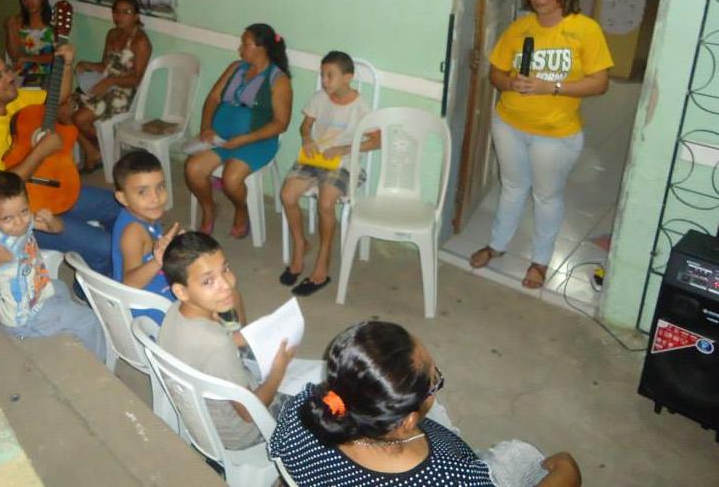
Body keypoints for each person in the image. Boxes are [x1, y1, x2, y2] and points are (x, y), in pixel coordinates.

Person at [269, 321, 582, 486]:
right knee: (527, 454)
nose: (436, 387)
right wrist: (566, 469)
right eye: (435, 383)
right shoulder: (448, 476)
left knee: (442, 415)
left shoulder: (302, 411)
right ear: (405, 422)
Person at [469, 0, 612, 289]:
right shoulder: (520, 29)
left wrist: (553, 87)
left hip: (556, 133)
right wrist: (509, 83)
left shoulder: (585, 29)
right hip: (508, 124)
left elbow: (600, 83)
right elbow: (495, 73)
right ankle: (497, 245)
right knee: (512, 188)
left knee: (547, 196)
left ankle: (540, 260)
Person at [0, 47, 121, 277]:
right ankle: (89, 292)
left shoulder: (13, 99)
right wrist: (40, 152)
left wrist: (68, 64)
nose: (10, 77)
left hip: (47, 186)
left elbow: (58, 98)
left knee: (119, 206)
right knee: (103, 246)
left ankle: (120, 266)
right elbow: (1, 191)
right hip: (18, 218)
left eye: (7, 70)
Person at [158, 232, 287, 450]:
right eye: (208, 281)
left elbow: (224, 333)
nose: (226, 284)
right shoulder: (217, 344)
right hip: (240, 435)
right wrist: (278, 371)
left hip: (205, 411)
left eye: (225, 269)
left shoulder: (174, 309)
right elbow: (248, 413)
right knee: (316, 405)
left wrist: (237, 334)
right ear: (181, 291)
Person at [0, 171, 106, 361]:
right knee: (89, 319)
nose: (19, 222)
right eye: (7, 218)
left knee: (60, 287)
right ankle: (100, 363)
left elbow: (57, 230)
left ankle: (65, 326)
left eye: (23, 211)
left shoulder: (25, 220)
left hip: (38, 291)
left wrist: (51, 220)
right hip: (25, 318)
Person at [279, 51, 377, 296]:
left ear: (347, 77)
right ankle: (301, 246)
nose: (324, 80)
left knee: (326, 202)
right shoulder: (319, 98)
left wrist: (345, 148)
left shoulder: (360, 106)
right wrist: (306, 138)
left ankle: (323, 260)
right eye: (322, 74)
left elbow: (377, 140)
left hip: (343, 161)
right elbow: (305, 125)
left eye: (330, 75)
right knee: (287, 195)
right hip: (315, 157)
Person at [185, 23, 293, 238]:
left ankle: (241, 210)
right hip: (221, 138)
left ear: (261, 48)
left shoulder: (279, 80)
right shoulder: (236, 67)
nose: (240, 48)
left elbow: (281, 123)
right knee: (193, 169)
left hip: (257, 141)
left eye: (245, 44)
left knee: (231, 179)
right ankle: (209, 208)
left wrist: (244, 139)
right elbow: (214, 98)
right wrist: (206, 127)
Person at [58, 0, 152, 174]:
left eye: (127, 12)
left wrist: (112, 81)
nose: (120, 16)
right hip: (103, 83)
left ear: (136, 16)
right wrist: (86, 64)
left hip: (121, 92)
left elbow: (138, 78)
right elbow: (104, 66)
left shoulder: (141, 42)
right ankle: (92, 151)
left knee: (80, 119)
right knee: (61, 111)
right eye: (116, 12)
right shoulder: (112, 34)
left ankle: (111, 151)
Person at [111, 149, 181, 316]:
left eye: (160, 187)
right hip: (148, 307)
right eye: (143, 192)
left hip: (157, 285)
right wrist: (159, 260)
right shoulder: (133, 232)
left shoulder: (144, 214)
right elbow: (129, 284)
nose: (155, 198)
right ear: (123, 198)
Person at [5, 0, 55, 86]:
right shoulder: (18, 23)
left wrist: (28, 58)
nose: (28, 2)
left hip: (49, 76)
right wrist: (10, 28)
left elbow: (57, 57)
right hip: (24, 76)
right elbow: (14, 56)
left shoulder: (54, 23)